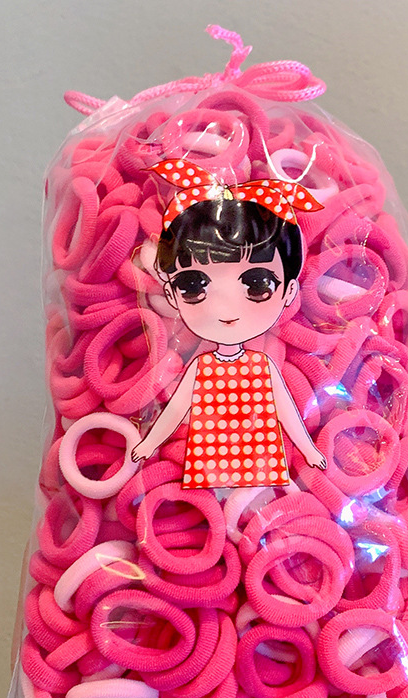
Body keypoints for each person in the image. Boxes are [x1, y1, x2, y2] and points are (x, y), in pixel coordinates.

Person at [131, 159, 327, 487]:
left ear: (290, 291)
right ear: (171, 294)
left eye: (257, 285)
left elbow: (285, 409)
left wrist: (308, 450)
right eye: (193, 286)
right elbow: (177, 407)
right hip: (209, 462)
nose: (225, 309)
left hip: (260, 463)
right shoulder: (202, 366)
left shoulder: (263, 366)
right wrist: (149, 444)